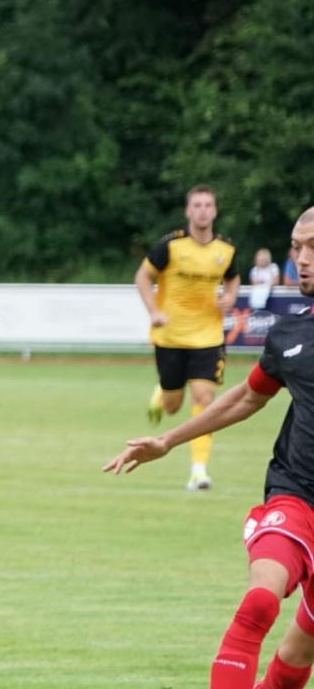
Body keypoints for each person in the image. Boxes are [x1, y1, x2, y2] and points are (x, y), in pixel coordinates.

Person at [106, 206, 314, 689]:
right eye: (296, 246)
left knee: (294, 660)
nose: (300, 259)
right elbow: (246, 398)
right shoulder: (291, 334)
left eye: (312, 248)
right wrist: (169, 441)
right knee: (259, 598)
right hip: (295, 497)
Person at [134, 184, 238, 491]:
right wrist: (154, 311)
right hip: (171, 337)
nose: (203, 211)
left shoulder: (225, 250)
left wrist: (230, 297)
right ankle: (162, 394)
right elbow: (142, 276)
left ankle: (198, 471)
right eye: (197, 205)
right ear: (188, 211)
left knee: (204, 399)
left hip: (208, 337)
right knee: (172, 406)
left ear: (215, 211)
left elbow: (233, 278)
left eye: (208, 205)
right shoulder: (170, 246)